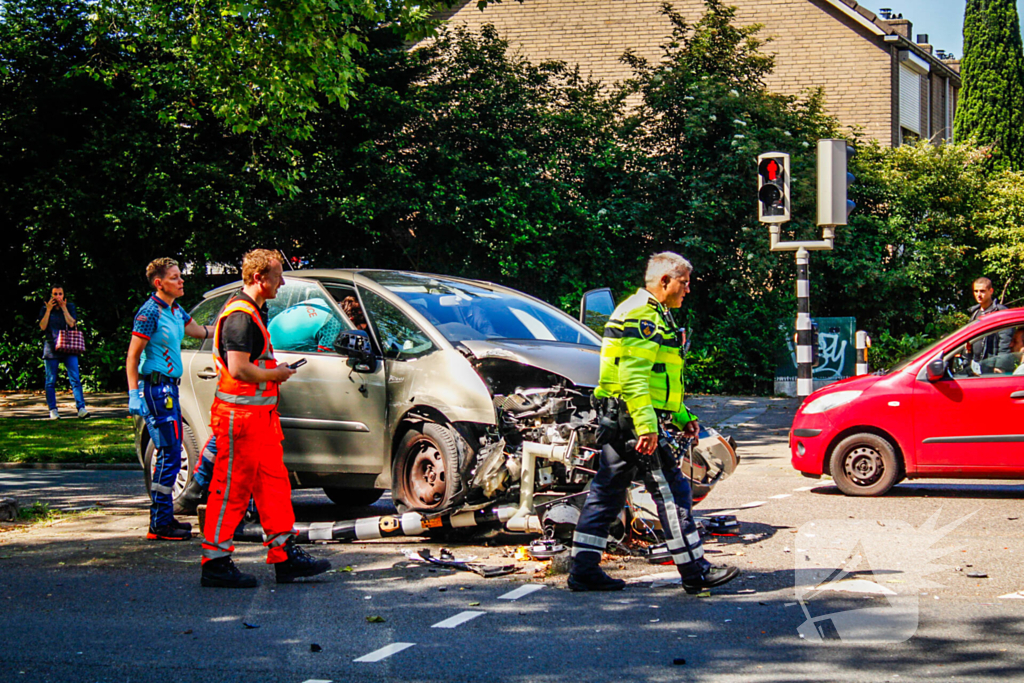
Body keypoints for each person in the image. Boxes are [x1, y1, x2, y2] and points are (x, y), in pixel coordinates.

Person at [568, 252, 739, 593]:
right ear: (665, 282)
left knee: (607, 493)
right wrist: (647, 426)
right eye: (684, 283)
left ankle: (583, 570)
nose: (687, 290)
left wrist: (682, 416)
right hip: (635, 421)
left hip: (623, 418)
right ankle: (695, 572)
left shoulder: (649, 313)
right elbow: (633, 378)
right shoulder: (643, 316)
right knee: (673, 492)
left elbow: (659, 378)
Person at [200, 249, 331, 588]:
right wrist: (276, 375)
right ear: (259, 278)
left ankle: (284, 555)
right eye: (277, 276)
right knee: (231, 490)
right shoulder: (241, 316)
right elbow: (239, 368)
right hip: (241, 418)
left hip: (258, 418)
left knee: (274, 486)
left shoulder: (252, 312)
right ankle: (215, 562)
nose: (282, 282)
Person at [126, 258, 213, 541]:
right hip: (156, 390)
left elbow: (200, 332)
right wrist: (133, 393)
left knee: (172, 453)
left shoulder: (176, 310)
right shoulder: (149, 313)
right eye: (175, 277)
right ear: (159, 283)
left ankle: (164, 520)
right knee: (169, 453)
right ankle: (160, 522)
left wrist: (226, 325)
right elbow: (133, 356)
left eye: (180, 276)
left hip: (171, 390)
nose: (181, 281)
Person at [37, 286, 88, 419]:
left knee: (75, 378)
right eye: (55, 294)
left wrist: (64, 308)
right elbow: (42, 326)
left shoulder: (69, 307)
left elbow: (72, 324)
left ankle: (81, 408)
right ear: (51, 296)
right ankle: (53, 410)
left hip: (68, 346)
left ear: (64, 295)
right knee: (50, 380)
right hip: (51, 346)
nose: (58, 297)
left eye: (60, 294)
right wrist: (48, 310)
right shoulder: (45, 308)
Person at [967, 277, 1011, 364]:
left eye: (982, 291)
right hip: (976, 364)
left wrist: (1000, 365)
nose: (978, 294)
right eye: (976, 291)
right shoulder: (974, 314)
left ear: (990, 291)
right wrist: (966, 362)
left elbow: (1005, 342)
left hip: (992, 365)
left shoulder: (999, 312)